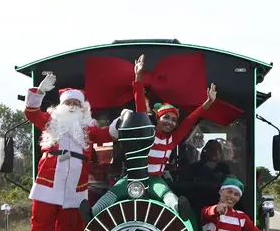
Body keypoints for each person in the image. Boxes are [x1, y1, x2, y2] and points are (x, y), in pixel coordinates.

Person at [81, 54, 216, 220]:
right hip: (133, 178)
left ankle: (179, 210)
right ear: (158, 118)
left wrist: (206, 104)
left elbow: (189, 122)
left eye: (174, 120)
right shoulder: (145, 132)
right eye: (166, 117)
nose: (170, 122)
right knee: (113, 192)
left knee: (166, 193)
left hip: (154, 180)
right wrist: (138, 78)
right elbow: (140, 107)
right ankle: (92, 213)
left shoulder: (171, 140)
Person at [22, 73, 121, 231]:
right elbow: (31, 113)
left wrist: (121, 121)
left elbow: (107, 134)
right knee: (41, 224)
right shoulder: (50, 122)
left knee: (69, 226)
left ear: (83, 107)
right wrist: (39, 92)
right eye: (69, 103)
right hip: (49, 181)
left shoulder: (88, 129)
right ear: (61, 105)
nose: (73, 106)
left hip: (76, 184)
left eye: (77, 103)